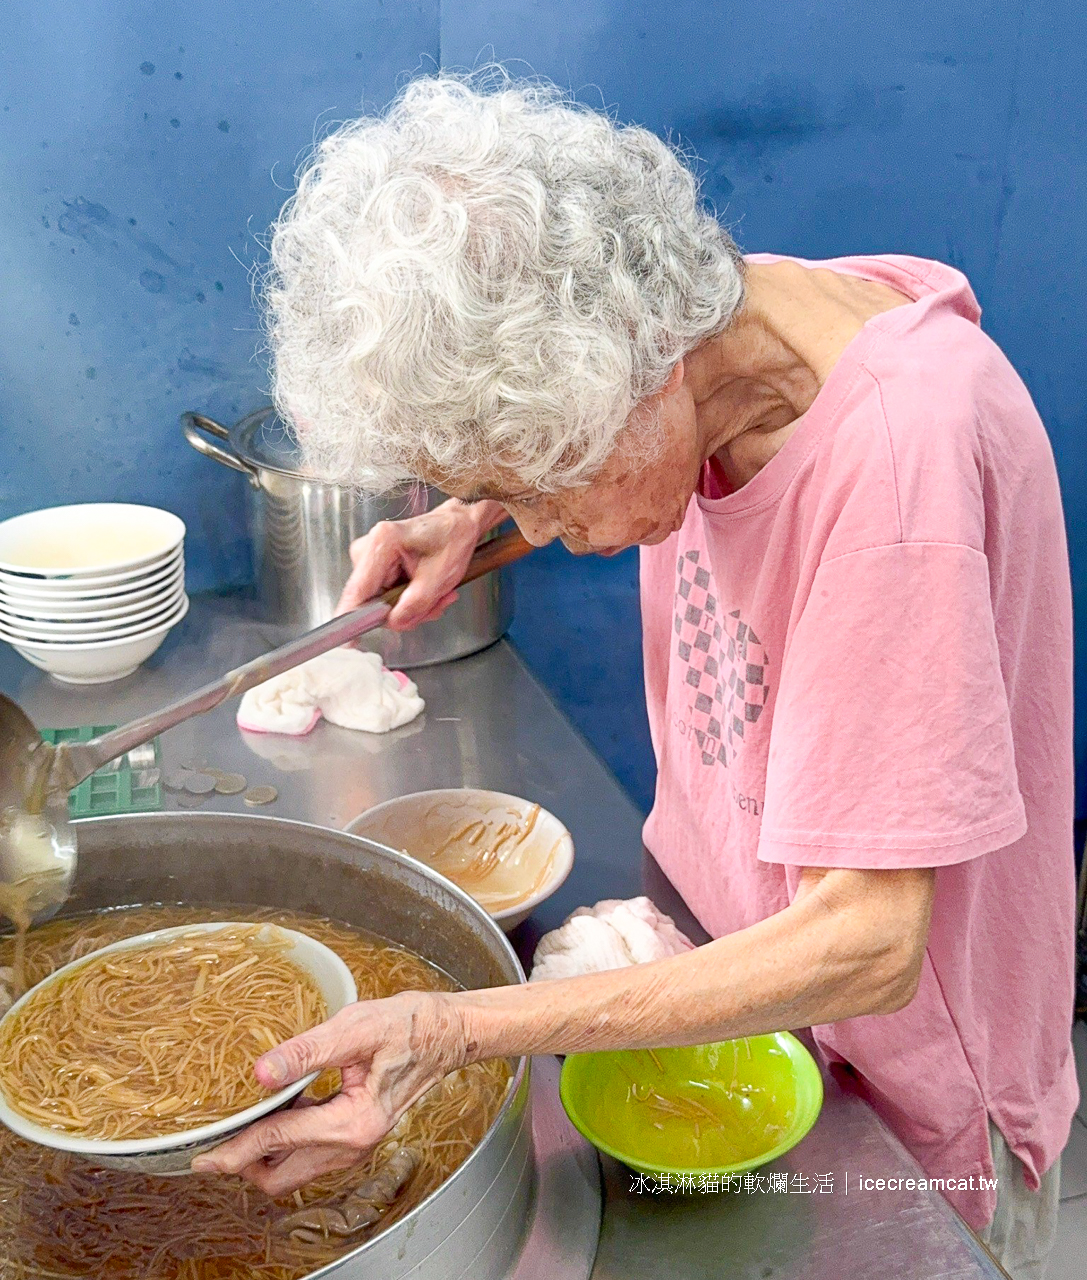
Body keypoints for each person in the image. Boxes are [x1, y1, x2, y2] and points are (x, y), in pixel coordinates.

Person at [195, 72, 1078, 1278]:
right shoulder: (713, 314)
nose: (546, 529)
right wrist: (478, 511)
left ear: (637, 366)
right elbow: (628, 432)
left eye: (551, 480)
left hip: (904, 1102)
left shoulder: (895, 468)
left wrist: (452, 1026)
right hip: (747, 986)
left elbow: (871, 939)